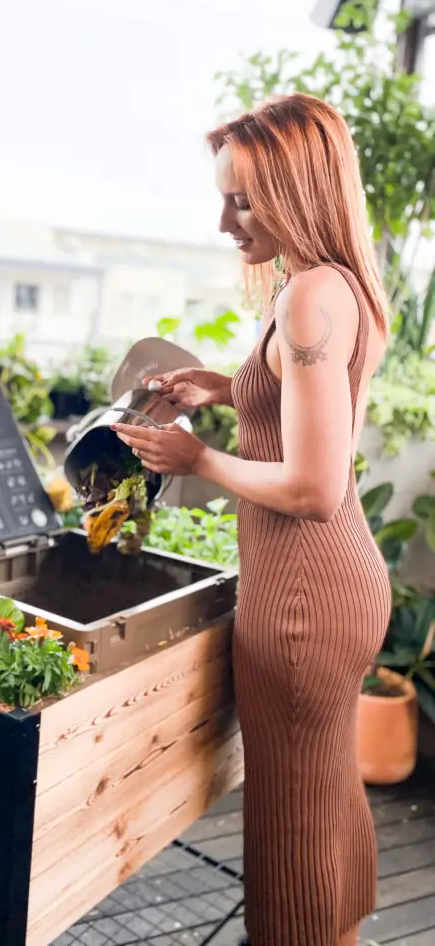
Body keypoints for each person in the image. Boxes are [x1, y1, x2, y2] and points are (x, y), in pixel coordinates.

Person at [112, 93, 392, 946]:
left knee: (291, 811)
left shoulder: (308, 297)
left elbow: (314, 487)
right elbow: (308, 406)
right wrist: (226, 387)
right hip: (331, 583)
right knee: (321, 790)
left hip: (305, 594)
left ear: (297, 190)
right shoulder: (335, 286)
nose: (225, 222)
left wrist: (195, 459)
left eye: (242, 201)